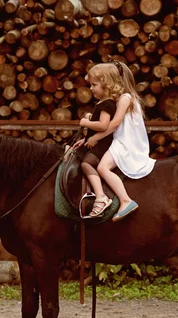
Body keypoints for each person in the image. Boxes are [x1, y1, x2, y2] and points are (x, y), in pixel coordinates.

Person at [81, 60, 156, 222]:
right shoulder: (123, 99)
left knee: (103, 168)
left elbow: (114, 124)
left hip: (126, 142)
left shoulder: (125, 98)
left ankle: (124, 200)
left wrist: (96, 137)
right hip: (121, 139)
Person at [74, 63, 122, 218]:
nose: (91, 89)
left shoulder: (107, 104)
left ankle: (101, 197)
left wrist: (86, 122)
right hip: (95, 141)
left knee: (86, 164)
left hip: (103, 145)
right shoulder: (102, 103)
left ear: (106, 84)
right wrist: (85, 138)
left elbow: (103, 125)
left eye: (94, 85)